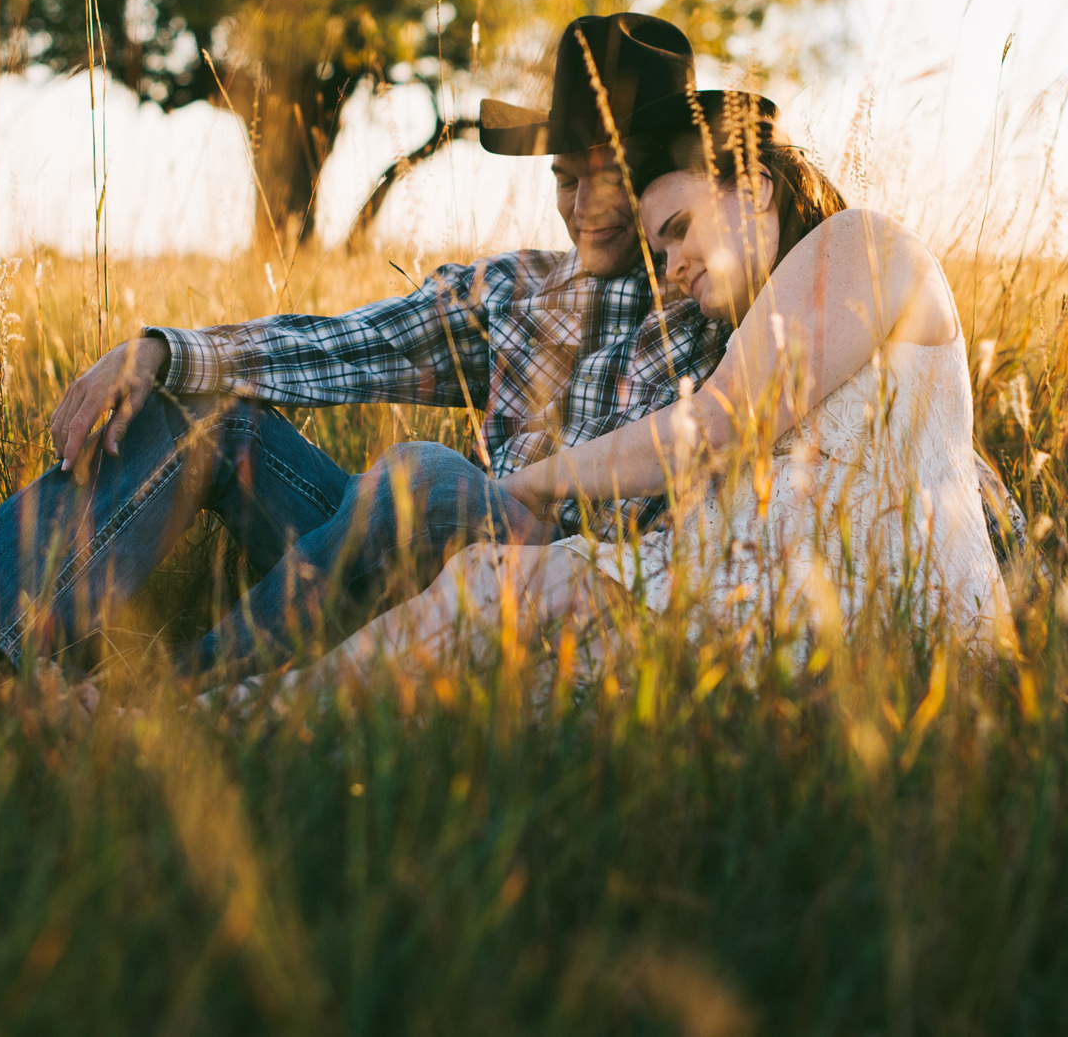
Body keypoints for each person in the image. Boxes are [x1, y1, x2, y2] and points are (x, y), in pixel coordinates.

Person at [0, 13, 739, 675]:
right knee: (205, 410)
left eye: (609, 176)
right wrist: (162, 351)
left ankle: (179, 692)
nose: (583, 205)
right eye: (565, 176)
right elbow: (345, 346)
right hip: (396, 561)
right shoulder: (514, 289)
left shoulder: (722, 302)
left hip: (558, 590)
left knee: (424, 474)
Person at [285, 95, 1011, 686]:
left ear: (754, 186)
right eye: (659, 250)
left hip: (862, 613)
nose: (672, 268)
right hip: (755, 598)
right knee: (489, 611)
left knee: (489, 577)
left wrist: (531, 485)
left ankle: (261, 711)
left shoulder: (863, 240)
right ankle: (286, 711)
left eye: (680, 229)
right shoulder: (748, 330)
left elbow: (717, 423)